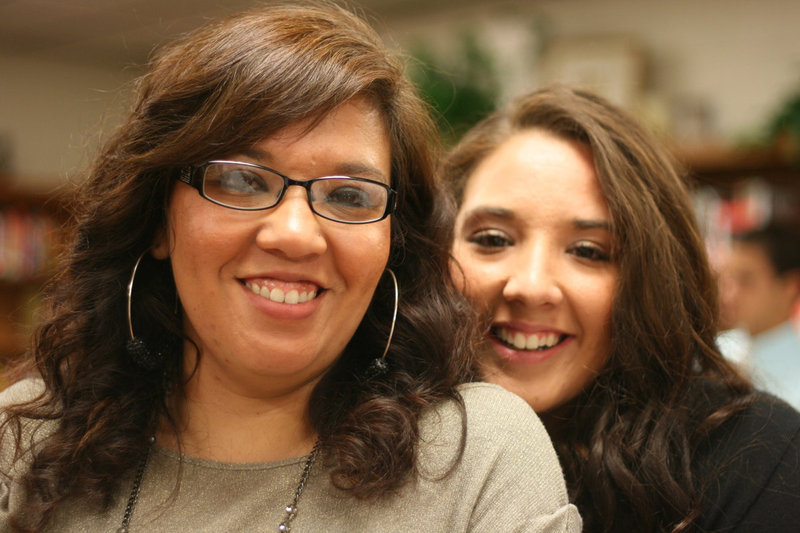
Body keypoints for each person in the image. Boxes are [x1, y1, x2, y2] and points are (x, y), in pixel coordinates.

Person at [0, 6, 581, 532]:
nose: (296, 234)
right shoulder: (24, 443)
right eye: (242, 181)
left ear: (392, 246)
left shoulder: (478, 456)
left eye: (349, 195)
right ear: (155, 221)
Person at [444, 85, 800, 532]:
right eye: (493, 240)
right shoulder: (378, 438)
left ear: (648, 280)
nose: (530, 286)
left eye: (589, 251)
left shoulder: (756, 457)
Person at [720, 224, 800, 410]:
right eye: (728, 279)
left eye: (746, 281)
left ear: (790, 287)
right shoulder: (718, 351)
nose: (729, 294)